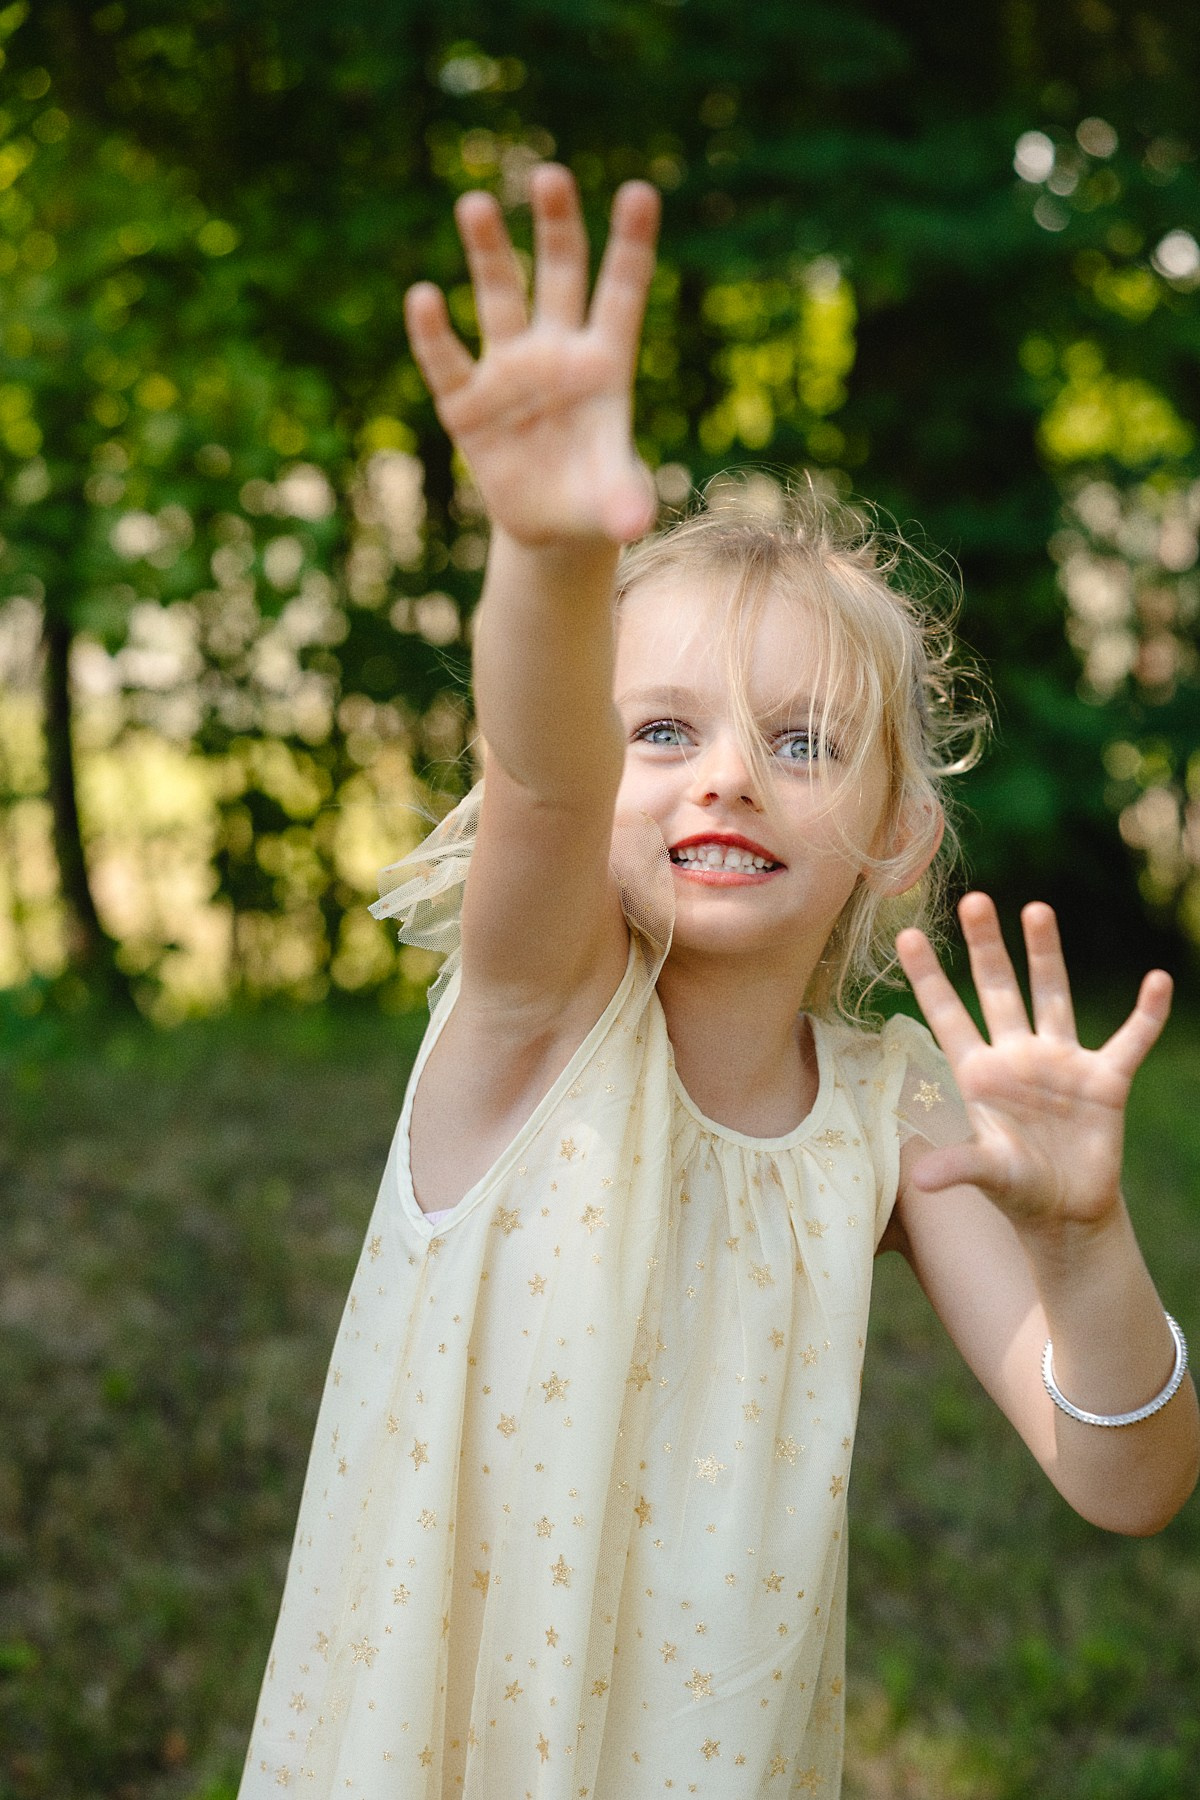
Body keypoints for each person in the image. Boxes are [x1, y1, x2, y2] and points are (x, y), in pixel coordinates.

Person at [238, 167, 1198, 1799]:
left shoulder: (894, 1118)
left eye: (803, 742)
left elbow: (1127, 1486)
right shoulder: (543, 1011)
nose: (726, 780)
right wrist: (546, 549)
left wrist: (1085, 1241)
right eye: (662, 730)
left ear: (895, 832)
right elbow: (540, 778)